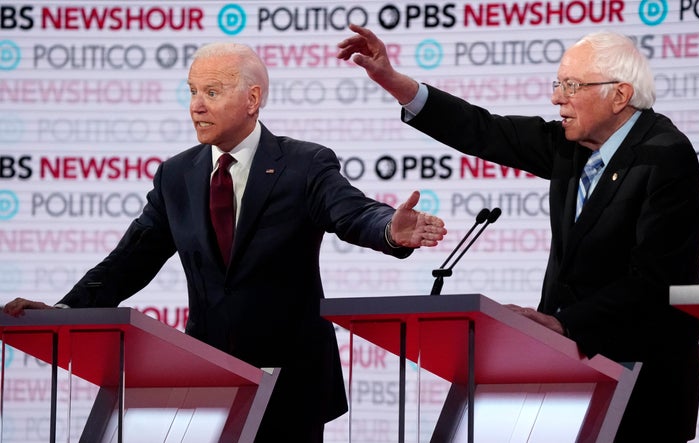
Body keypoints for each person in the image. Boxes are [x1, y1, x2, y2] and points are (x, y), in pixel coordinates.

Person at [2, 42, 447, 442]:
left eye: (211, 93)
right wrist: (66, 312)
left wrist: (390, 227)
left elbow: (352, 212)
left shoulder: (303, 163)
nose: (197, 105)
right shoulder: (176, 174)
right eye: (193, 91)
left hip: (291, 383)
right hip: (206, 379)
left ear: (252, 99)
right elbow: (130, 260)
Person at [337, 24, 699, 442]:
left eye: (571, 85)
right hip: (570, 381)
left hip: (642, 388)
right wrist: (394, 82)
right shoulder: (570, 144)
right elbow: (484, 130)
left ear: (619, 95)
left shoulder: (665, 155)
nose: (556, 98)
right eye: (558, 84)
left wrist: (562, 324)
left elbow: (657, 284)